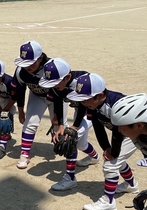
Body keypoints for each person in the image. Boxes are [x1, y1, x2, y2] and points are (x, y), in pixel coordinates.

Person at [65, 73, 139, 210]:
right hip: (125, 132)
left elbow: (118, 133)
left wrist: (113, 151)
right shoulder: (94, 105)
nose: (83, 103)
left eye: (85, 99)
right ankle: (132, 185)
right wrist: (106, 147)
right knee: (118, 160)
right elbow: (98, 127)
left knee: (111, 164)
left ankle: (108, 202)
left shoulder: (115, 106)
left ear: (99, 95)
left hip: (135, 133)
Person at [38, 58, 101, 190]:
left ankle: (70, 177)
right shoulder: (58, 85)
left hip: (92, 112)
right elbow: (58, 102)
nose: (53, 86)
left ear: (67, 77)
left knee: (69, 137)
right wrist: (61, 125)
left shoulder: (80, 82)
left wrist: (74, 127)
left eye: (55, 83)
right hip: (80, 110)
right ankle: (94, 157)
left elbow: (85, 105)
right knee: (81, 144)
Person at [10, 41, 53, 169]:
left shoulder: (51, 68)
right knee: (29, 123)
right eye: (25, 63)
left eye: (31, 63)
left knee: (60, 127)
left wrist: (57, 119)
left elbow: (60, 91)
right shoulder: (21, 71)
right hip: (37, 96)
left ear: (40, 58)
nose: (27, 67)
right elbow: (20, 91)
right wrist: (21, 110)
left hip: (56, 98)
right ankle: (25, 153)